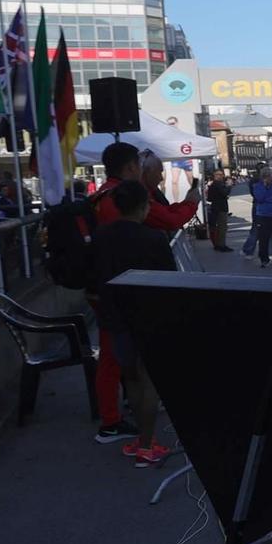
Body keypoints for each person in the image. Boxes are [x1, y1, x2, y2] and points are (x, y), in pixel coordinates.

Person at [91, 142, 198, 443]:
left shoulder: (101, 197)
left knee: (120, 358)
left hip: (108, 292)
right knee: (122, 360)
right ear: (130, 169)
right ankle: (117, 425)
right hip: (126, 297)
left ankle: (122, 412)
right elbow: (169, 221)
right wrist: (190, 203)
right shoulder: (122, 199)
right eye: (140, 167)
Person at [89, 180, 177, 466]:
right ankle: (148, 446)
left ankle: (141, 440)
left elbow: (94, 278)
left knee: (132, 379)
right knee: (149, 382)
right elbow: (170, 282)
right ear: (142, 207)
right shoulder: (154, 239)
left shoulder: (101, 236)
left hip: (114, 319)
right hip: (147, 318)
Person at [249, 163, 272, 265]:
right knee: (263, 238)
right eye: (265, 176)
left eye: (269, 176)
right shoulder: (257, 186)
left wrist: (266, 198)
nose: (268, 178)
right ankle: (264, 259)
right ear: (262, 177)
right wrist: (266, 189)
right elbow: (259, 198)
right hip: (262, 215)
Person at [204, 169, 233, 251]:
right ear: (214, 175)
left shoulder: (213, 184)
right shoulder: (218, 184)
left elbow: (209, 198)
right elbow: (225, 193)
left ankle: (218, 244)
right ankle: (221, 245)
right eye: (218, 174)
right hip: (221, 208)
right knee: (222, 227)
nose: (220, 176)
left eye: (221, 174)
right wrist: (229, 186)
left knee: (219, 227)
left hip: (215, 207)